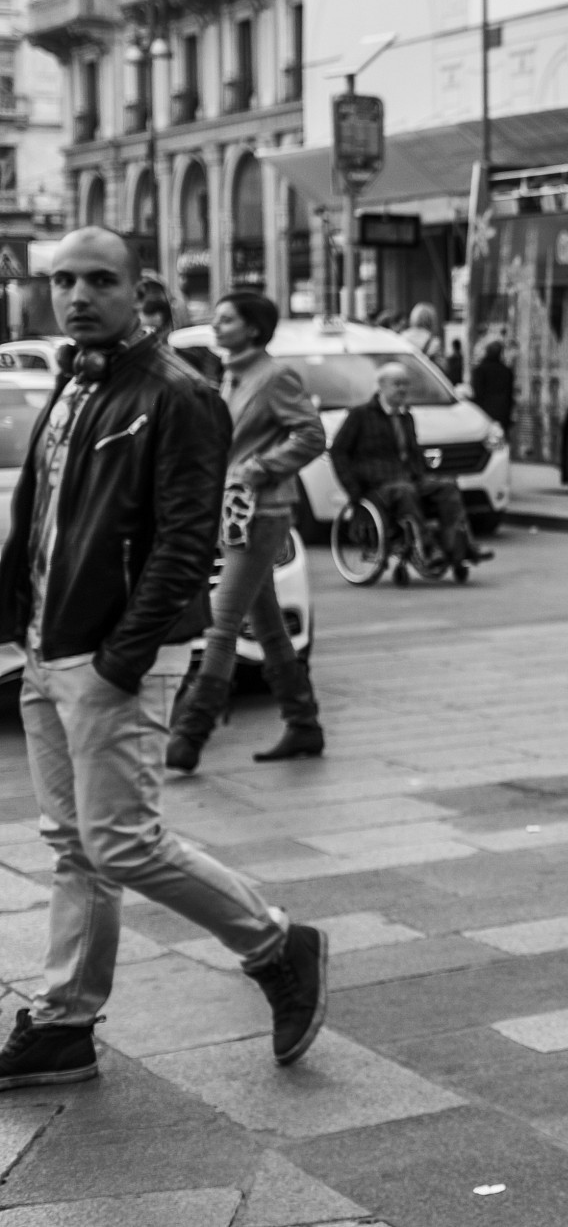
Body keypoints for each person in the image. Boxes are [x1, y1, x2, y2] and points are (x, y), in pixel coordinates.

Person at [0, 228, 329, 1090]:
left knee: (123, 843)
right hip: (46, 647)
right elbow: (36, 519)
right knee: (75, 846)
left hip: (109, 655)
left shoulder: (177, 394)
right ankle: (67, 1023)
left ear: (139, 289)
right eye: (63, 280)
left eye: (99, 280)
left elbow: (186, 542)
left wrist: (123, 656)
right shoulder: (75, 381)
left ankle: (274, 944)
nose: (76, 296)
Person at [166, 290, 329, 771]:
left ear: (253, 328)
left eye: (226, 319)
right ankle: (304, 725)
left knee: (221, 621)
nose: (216, 326)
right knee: (267, 624)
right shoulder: (232, 376)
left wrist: (261, 468)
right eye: (215, 318)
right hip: (234, 513)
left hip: (263, 512)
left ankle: (190, 734)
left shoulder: (276, 376)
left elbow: (312, 434)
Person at [328, 362, 480, 574]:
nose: (402, 389)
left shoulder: (405, 417)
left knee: (447, 487)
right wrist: (353, 489)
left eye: (405, 385)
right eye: (397, 384)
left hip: (408, 479)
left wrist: (423, 475)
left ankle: (459, 546)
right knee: (404, 491)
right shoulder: (360, 416)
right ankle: (427, 548)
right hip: (376, 485)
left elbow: (414, 453)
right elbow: (339, 452)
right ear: (381, 386)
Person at [470, 336, 516, 435]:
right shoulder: (507, 371)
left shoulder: (480, 370)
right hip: (503, 415)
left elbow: (477, 393)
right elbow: (510, 395)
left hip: (485, 415)